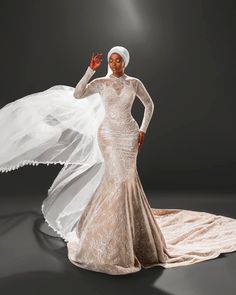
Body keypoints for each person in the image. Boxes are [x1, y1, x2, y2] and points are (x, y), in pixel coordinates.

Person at [0, 46, 236, 276]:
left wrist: (143, 130)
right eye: (111, 60)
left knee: (127, 180)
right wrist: (90, 70)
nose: (114, 64)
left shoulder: (134, 83)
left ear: (125, 62)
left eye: (118, 60)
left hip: (129, 135)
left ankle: (131, 237)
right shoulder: (101, 83)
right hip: (108, 136)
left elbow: (149, 105)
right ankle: (107, 236)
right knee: (116, 180)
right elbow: (78, 94)